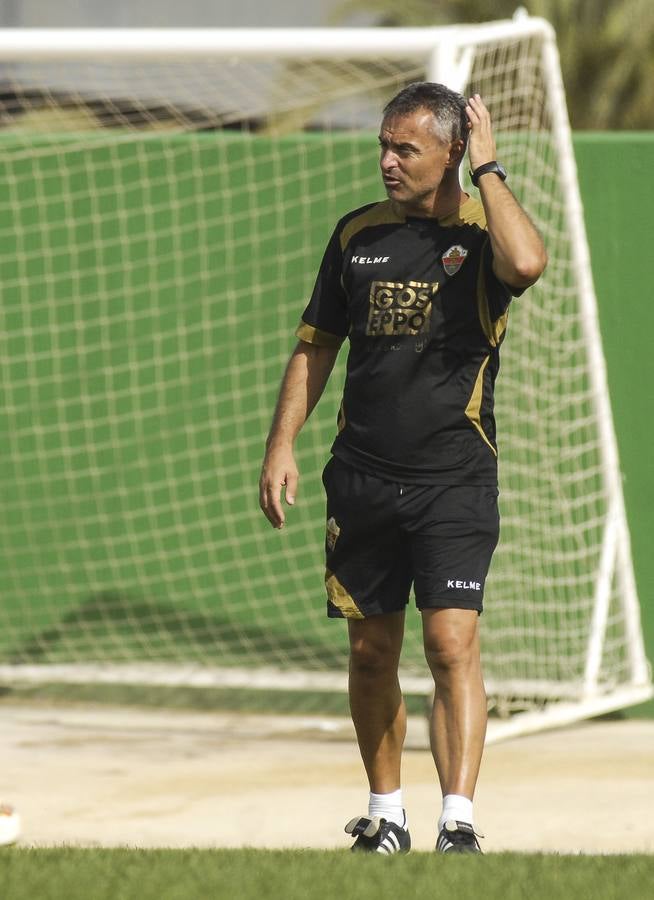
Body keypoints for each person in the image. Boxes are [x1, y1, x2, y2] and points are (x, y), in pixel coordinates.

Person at [259, 82, 547, 854]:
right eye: (383, 146)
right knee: (370, 650)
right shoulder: (356, 234)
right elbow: (317, 344)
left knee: (451, 645)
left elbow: (529, 262)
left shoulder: (489, 230)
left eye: (405, 149)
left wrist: (490, 171)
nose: (386, 161)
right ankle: (386, 814)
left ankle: (459, 821)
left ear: (451, 150)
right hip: (360, 476)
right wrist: (281, 443)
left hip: (454, 477)